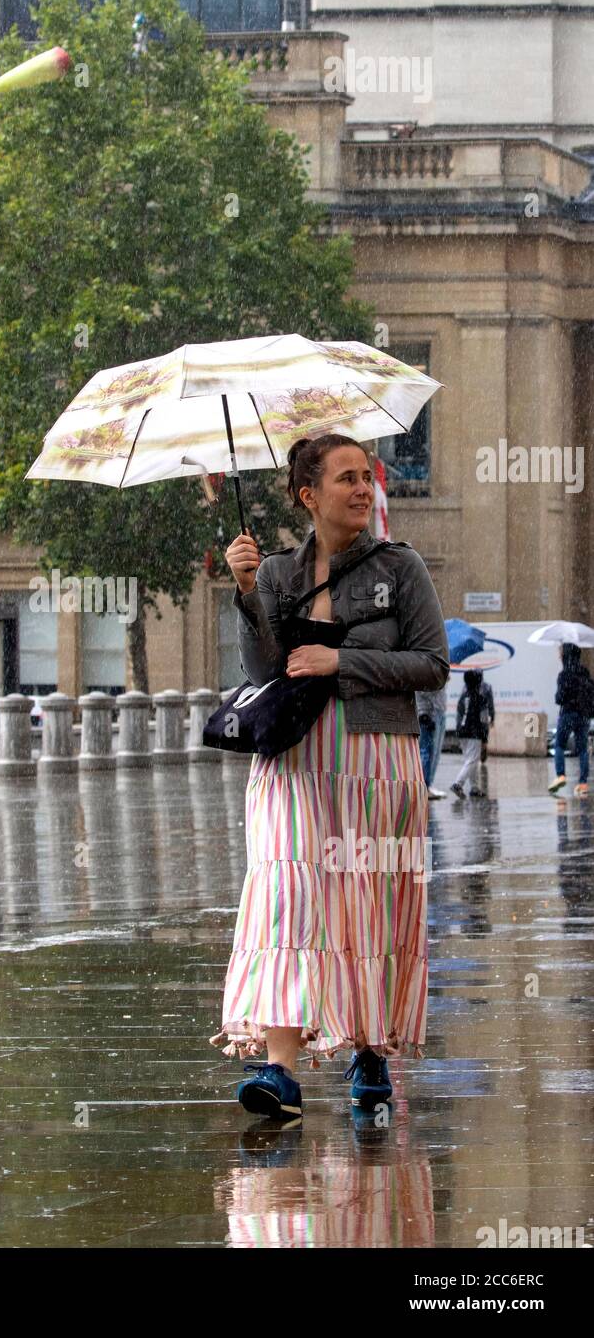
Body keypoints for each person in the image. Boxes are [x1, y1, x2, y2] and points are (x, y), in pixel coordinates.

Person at [210, 433, 449, 1121]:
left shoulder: (400, 568)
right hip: (293, 763)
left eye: (366, 477)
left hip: (378, 760)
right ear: (308, 495)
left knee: (370, 903)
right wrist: (249, 591)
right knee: (288, 898)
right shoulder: (280, 573)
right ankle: (279, 1068)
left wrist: (341, 663)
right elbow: (261, 672)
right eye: (345, 478)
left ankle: (369, 1050)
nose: (362, 489)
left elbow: (432, 664)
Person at [549, 642, 594, 797]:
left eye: (561, 652)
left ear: (566, 655)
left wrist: (559, 695)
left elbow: (559, 698)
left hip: (568, 713)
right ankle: (582, 783)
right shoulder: (585, 672)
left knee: (559, 745)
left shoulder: (564, 674)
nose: (559, 654)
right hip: (583, 715)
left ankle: (561, 775)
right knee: (582, 749)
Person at [450, 669, 492, 798]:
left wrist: (459, 730)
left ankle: (474, 788)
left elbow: (458, 715)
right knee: (472, 761)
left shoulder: (463, 697)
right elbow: (484, 720)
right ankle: (458, 784)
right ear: (479, 682)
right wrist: (485, 737)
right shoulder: (481, 698)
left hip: (463, 732)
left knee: (470, 760)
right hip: (475, 733)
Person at [416, 683, 448, 798]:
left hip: (435, 711)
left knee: (433, 752)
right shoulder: (426, 670)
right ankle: (425, 785)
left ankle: (428, 784)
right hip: (428, 713)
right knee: (427, 751)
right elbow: (425, 689)